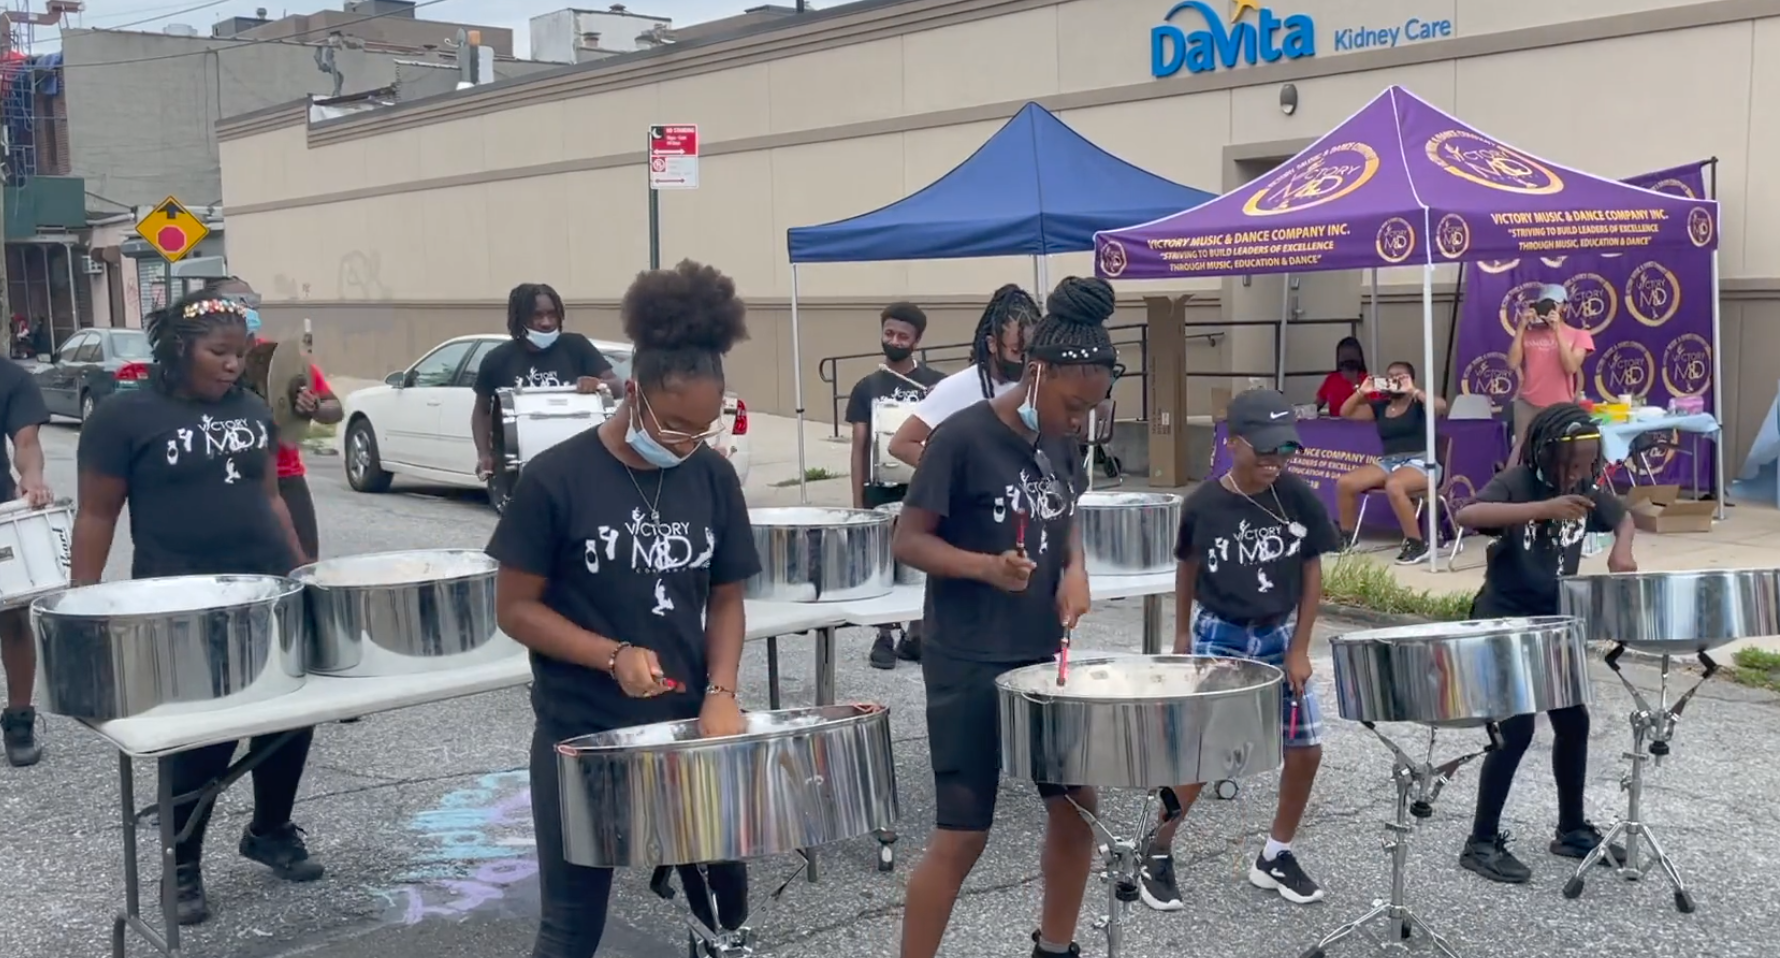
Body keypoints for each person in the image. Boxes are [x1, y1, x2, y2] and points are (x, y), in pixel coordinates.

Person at [486, 260, 756, 958]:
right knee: (572, 927)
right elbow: (515, 609)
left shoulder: (711, 475)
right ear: (632, 394)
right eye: (674, 427)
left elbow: (726, 595)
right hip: (584, 732)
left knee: (727, 913)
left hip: (690, 727)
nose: (687, 445)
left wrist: (721, 690)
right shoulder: (556, 479)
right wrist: (609, 655)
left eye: (703, 428)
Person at [71, 291, 318, 925]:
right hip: (179, 602)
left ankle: (270, 829)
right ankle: (181, 867)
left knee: (293, 717)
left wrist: (302, 576)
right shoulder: (123, 419)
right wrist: (84, 604)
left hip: (265, 591)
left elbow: (272, 499)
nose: (235, 365)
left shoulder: (252, 409)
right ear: (179, 350)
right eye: (220, 353)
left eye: (240, 353)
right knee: (203, 742)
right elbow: (97, 515)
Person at [894, 276, 1115, 958]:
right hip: (969, 658)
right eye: (1075, 406)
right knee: (964, 834)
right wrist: (985, 568)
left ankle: (1055, 947)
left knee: (1078, 810)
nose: (1080, 422)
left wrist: (1074, 570)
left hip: (1044, 656)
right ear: (1039, 373)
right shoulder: (962, 438)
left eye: (1092, 411)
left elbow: (1066, 516)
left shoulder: (1063, 444)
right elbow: (908, 540)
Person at [1142, 388, 1338, 913]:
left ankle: (1276, 854)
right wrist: (1182, 634)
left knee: (1306, 747)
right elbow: (1187, 566)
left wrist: (1301, 647)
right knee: (1203, 753)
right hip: (1220, 631)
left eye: (1284, 451)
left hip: (1278, 634)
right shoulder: (1204, 502)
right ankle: (1156, 850)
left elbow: (1312, 567)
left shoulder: (1296, 495)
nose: (1276, 461)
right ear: (1235, 444)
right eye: (1265, 450)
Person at [1451, 402, 1633, 884]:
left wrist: (1622, 549)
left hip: (1555, 625)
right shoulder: (1519, 484)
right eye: (1572, 463)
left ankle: (1570, 829)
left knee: (1574, 723)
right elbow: (1469, 512)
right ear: (1546, 452)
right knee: (1516, 731)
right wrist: (1542, 511)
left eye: (1589, 462)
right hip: (1506, 621)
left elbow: (1623, 517)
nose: (1581, 472)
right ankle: (1481, 841)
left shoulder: (1584, 489)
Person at [206, 276, 344, 561]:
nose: (245, 309)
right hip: (227, 480)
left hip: (285, 477)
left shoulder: (278, 358)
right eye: (236, 304)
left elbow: (335, 408)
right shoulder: (203, 361)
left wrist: (314, 405)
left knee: (303, 568)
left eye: (250, 302)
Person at [846, 302, 946, 669]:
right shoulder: (866, 387)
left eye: (903, 335)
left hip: (924, 487)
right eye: (889, 333)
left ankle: (917, 635)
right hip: (880, 488)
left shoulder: (936, 384)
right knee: (884, 564)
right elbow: (858, 448)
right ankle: (884, 635)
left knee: (925, 560)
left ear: (917, 340)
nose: (894, 340)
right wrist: (858, 503)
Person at [472, 283, 620, 487]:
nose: (546, 322)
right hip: (521, 476)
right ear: (520, 318)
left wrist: (599, 384)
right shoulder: (497, 359)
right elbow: (482, 411)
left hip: (577, 467)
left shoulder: (576, 347)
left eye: (552, 315)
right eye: (537, 316)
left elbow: (617, 386)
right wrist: (484, 454)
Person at [885, 284, 1038, 469]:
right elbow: (901, 445)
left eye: (1030, 352)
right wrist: (958, 476)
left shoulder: (1036, 384)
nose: (1024, 360)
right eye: (1015, 351)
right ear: (992, 344)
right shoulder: (957, 387)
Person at [1334, 360, 1449, 564]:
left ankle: (1416, 543)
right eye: (1390, 377)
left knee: (1394, 485)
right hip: (1390, 462)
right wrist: (1363, 391)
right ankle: (1348, 538)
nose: (1394, 380)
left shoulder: (1418, 404)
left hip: (1422, 461)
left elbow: (1440, 406)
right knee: (1346, 483)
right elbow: (1346, 412)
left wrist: (1413, 390)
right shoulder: (1381, 406)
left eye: (1400, 376)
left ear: (1411, 379)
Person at [0, 355, 52, 767]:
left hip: (0, 512)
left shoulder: (10, 377)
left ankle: (19, 720)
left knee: (14, 616)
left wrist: (31, 477)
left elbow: (27, 442)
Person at [1508, 284, 1593, 463]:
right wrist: (1521, 327)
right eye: (1544, 304)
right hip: (1528, 403)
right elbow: (1512, 363)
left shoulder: (1579, 335)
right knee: (1523, 452)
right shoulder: (1530, 333)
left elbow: (1570, 367)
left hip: (1560, 406)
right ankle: (1516, 489)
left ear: (1564, 307)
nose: (1549, 309)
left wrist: (1557, 332)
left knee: (1560, 454)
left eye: (1554, 304)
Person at [1314, 336, 1368, 415]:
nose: (1348, 357)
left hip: (1361, 425)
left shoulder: (1367, 381)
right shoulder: (1331, 380)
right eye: (1345, 355)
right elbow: (1317, 405)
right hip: (1335, 426)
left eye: (1351, 355)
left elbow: (1375, 409)